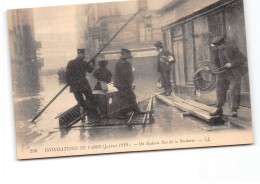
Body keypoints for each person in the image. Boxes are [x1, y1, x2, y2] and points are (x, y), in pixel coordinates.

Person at [209, 36, 248, 117]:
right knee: (219, 89)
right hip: (223, 74)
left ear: (223, 44)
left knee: (233, 89)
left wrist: (232, 64)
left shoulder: (233, 48)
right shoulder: (216, 51)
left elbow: (243, 59)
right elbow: (215, 63)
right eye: (216, 46)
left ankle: (234, 110)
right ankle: (219, 109)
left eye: (218, 46)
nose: (217, 48)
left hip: (235, 73)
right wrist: (210, 69)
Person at [65, 49, 101, 123]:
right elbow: (90, 71)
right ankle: (95, 115)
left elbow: (67, 75)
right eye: (83, 54)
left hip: (74, 85)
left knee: (81, 102)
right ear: (79, 54)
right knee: (91, 99)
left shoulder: (70, 63)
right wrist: (93, 62)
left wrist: (69, 83)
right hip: (83, 84)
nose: (84, 56)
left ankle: (84, 116)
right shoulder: (84, 63)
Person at [114, 49, 145, 119]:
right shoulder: (122, 63)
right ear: (124, 54)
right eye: (128, 54)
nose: (129, 55)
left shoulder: (123, 62)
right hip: (122, 84)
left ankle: (137, 111)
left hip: (124, 83)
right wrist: (130, 68)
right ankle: (119, 114)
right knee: (124, 98)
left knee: (132, 97)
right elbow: (125, 74)